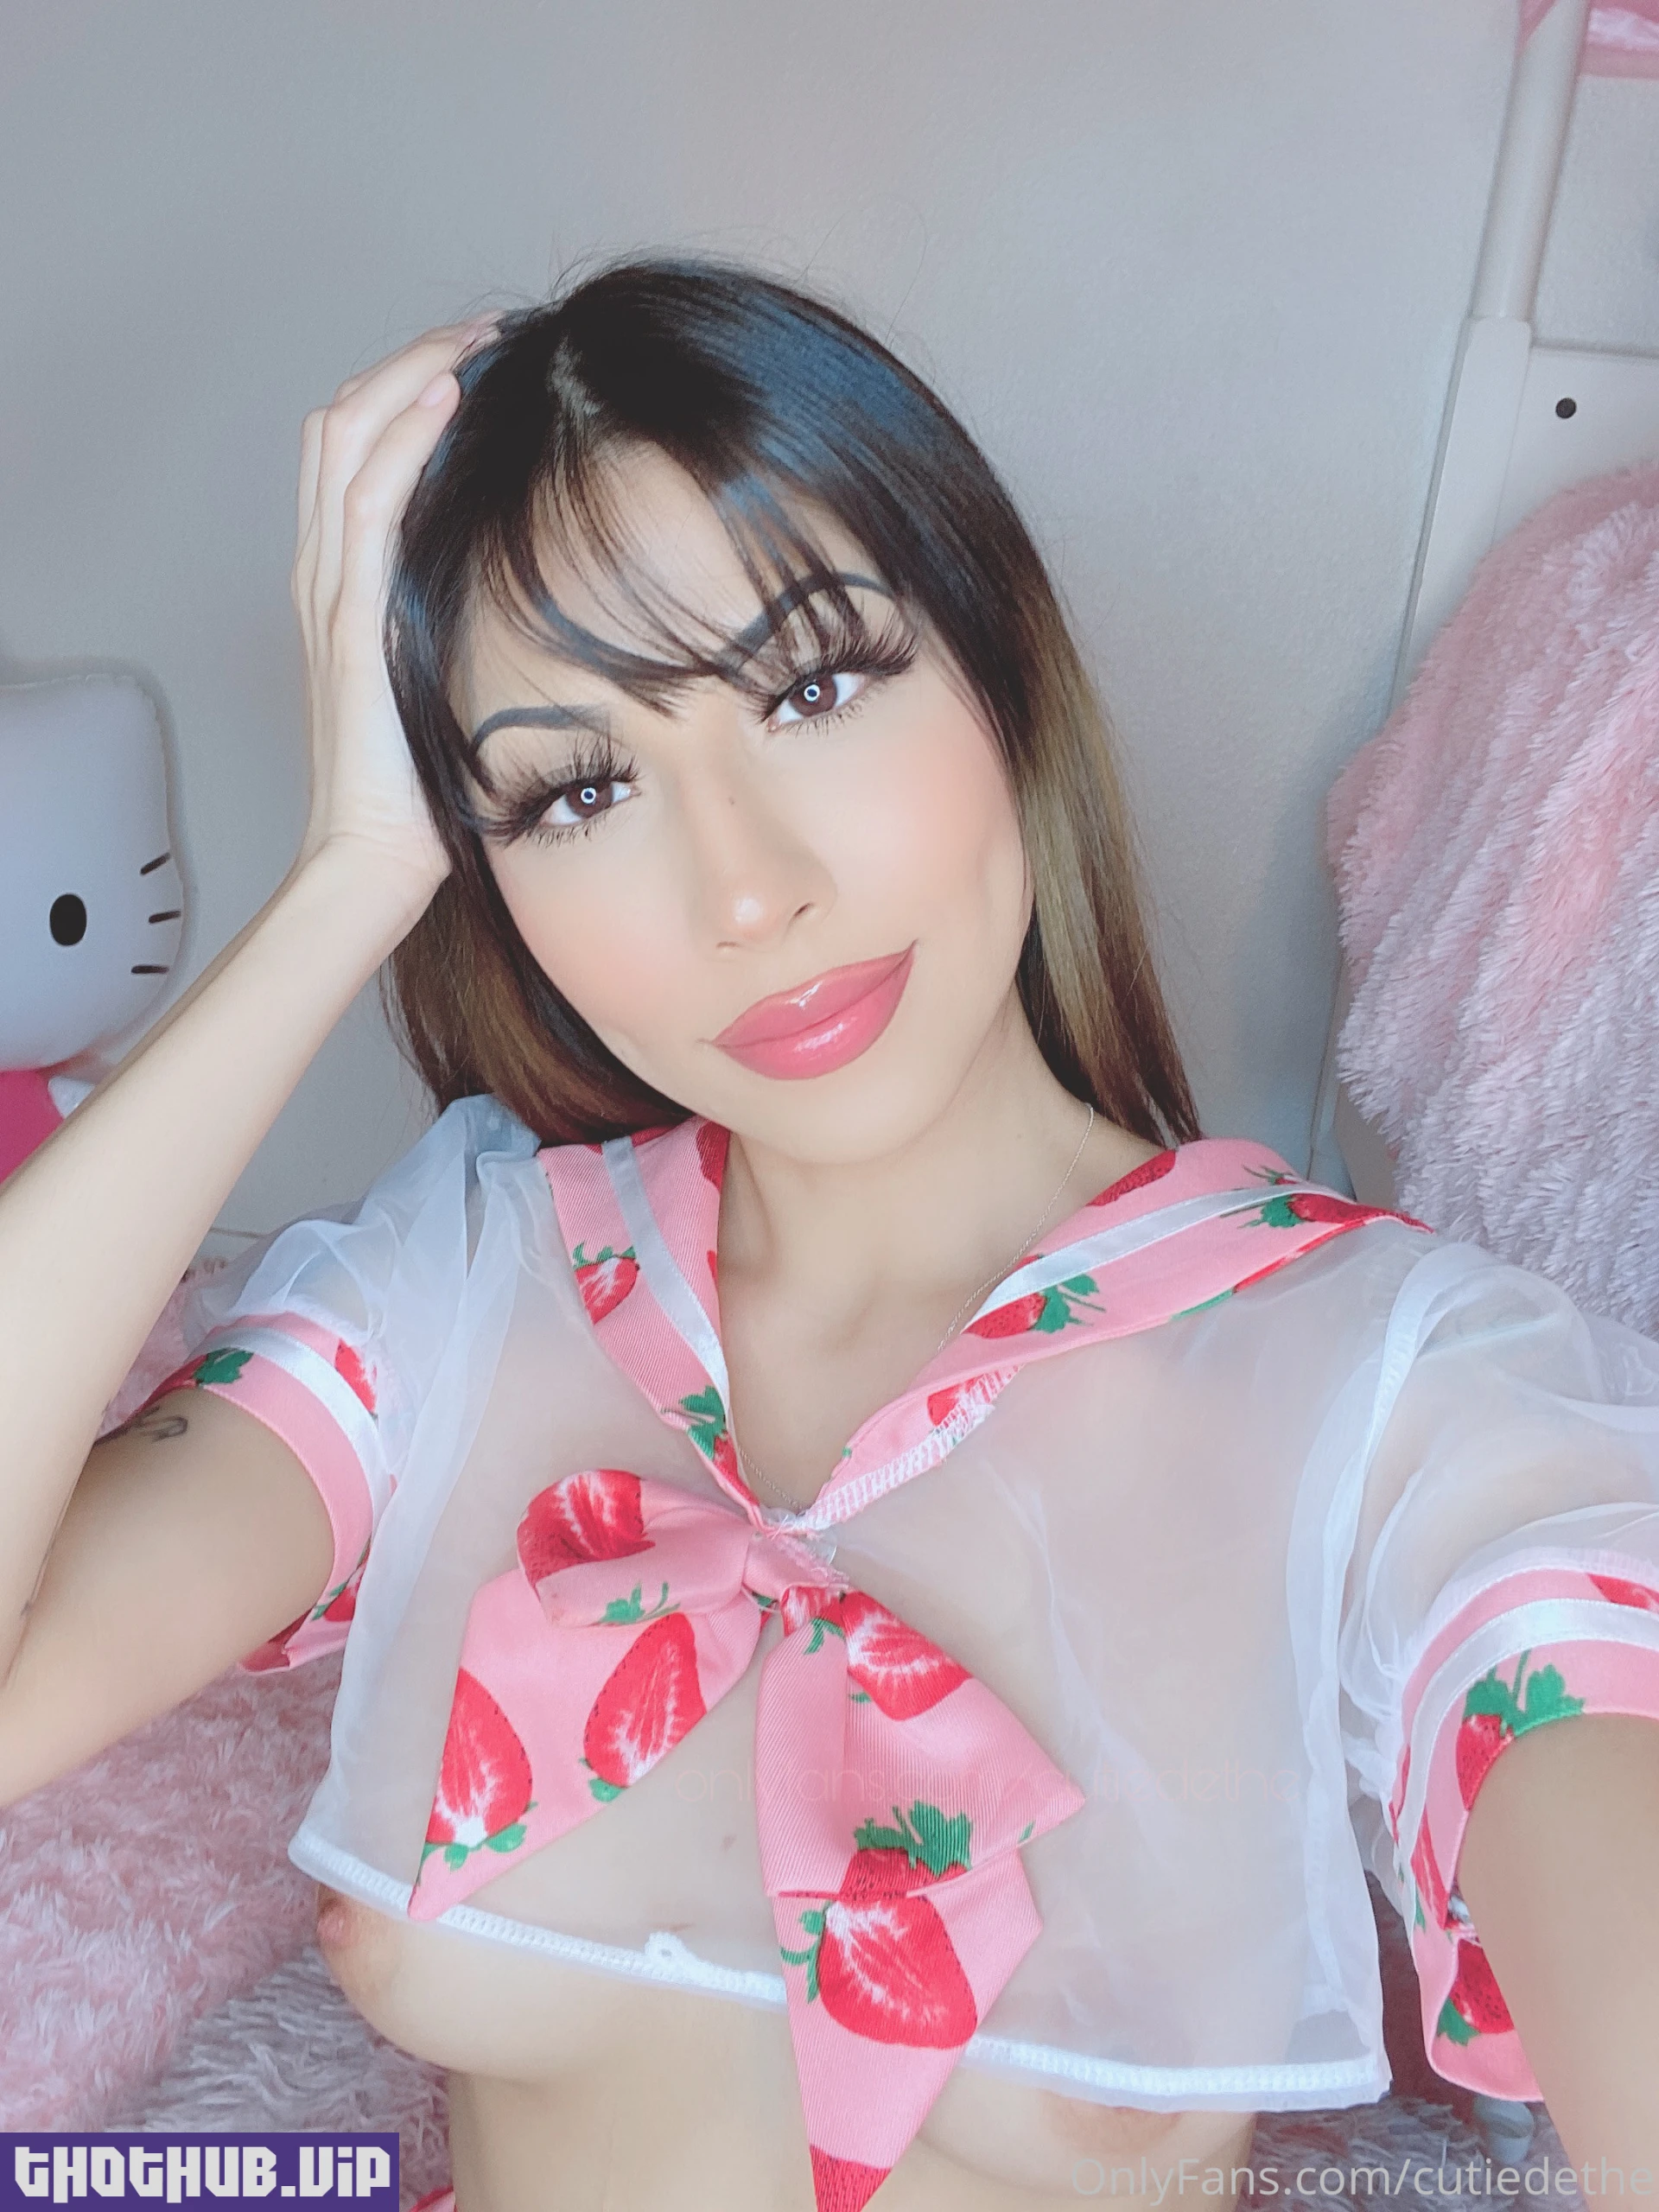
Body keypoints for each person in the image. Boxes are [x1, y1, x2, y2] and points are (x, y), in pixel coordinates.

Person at [3, 260, 1658, 2212]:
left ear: (998, 661)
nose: (746, 890)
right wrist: (351, 873)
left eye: (812, 686)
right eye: (574, 789)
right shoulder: (458, 1281)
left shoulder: (1385, 1390)